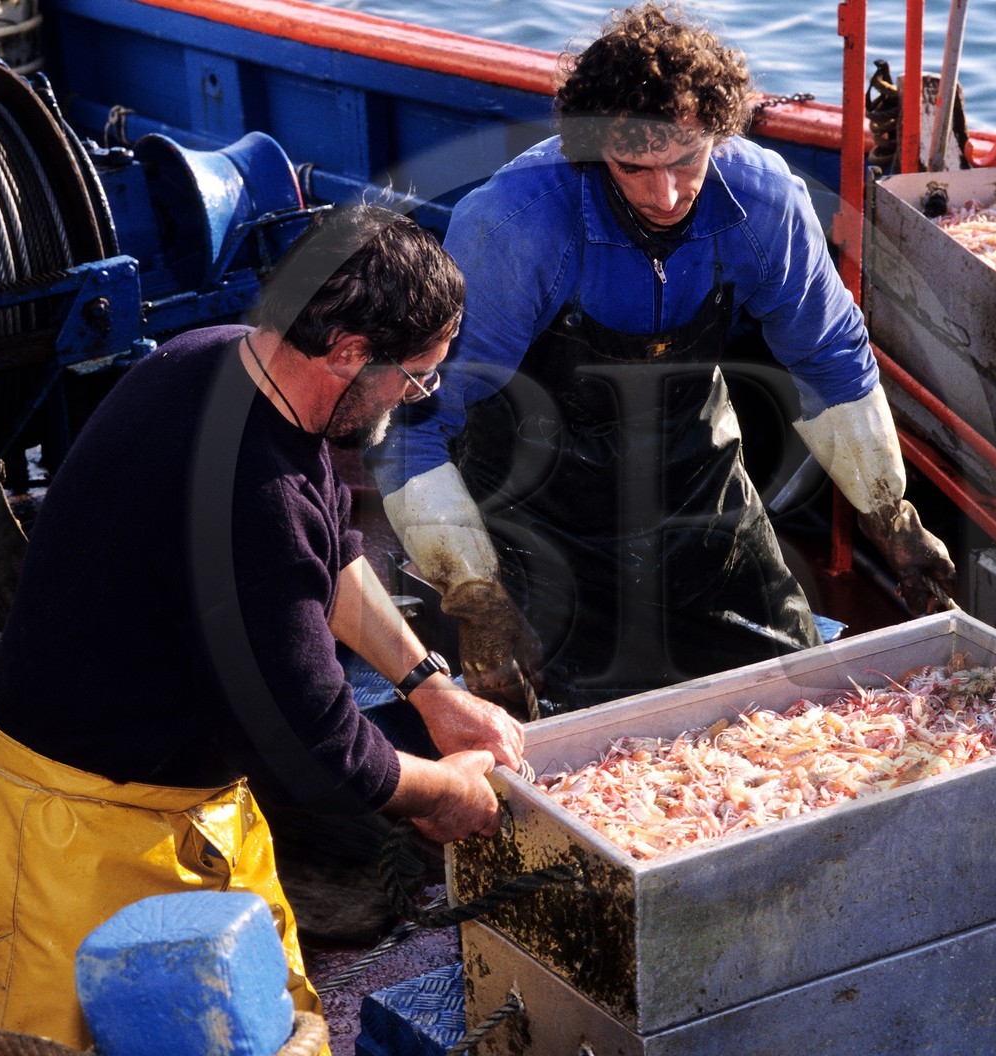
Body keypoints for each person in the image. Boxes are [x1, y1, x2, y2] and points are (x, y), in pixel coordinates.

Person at [0, 205, 524, 1048]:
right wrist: (448, 793)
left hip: (184, 808)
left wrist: (431, 692)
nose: (413, 395)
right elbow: (313, 748)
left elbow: (330, 554)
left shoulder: (225, 362)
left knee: (273, 1030)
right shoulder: (254, 499)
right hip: (66, 836)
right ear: (350, 354)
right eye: (414, 375)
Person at [369, 3, 955, 716]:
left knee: (798, 700)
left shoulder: (766, 203)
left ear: (720, 132)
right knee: (561, 724)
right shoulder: (514, 227)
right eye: (634, 168)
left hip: (696, 477)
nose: (666, 194)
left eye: (687, 160)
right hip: (537, 502)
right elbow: (415, 424)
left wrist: (889, 515)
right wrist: (475, 599)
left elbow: (831, 360)